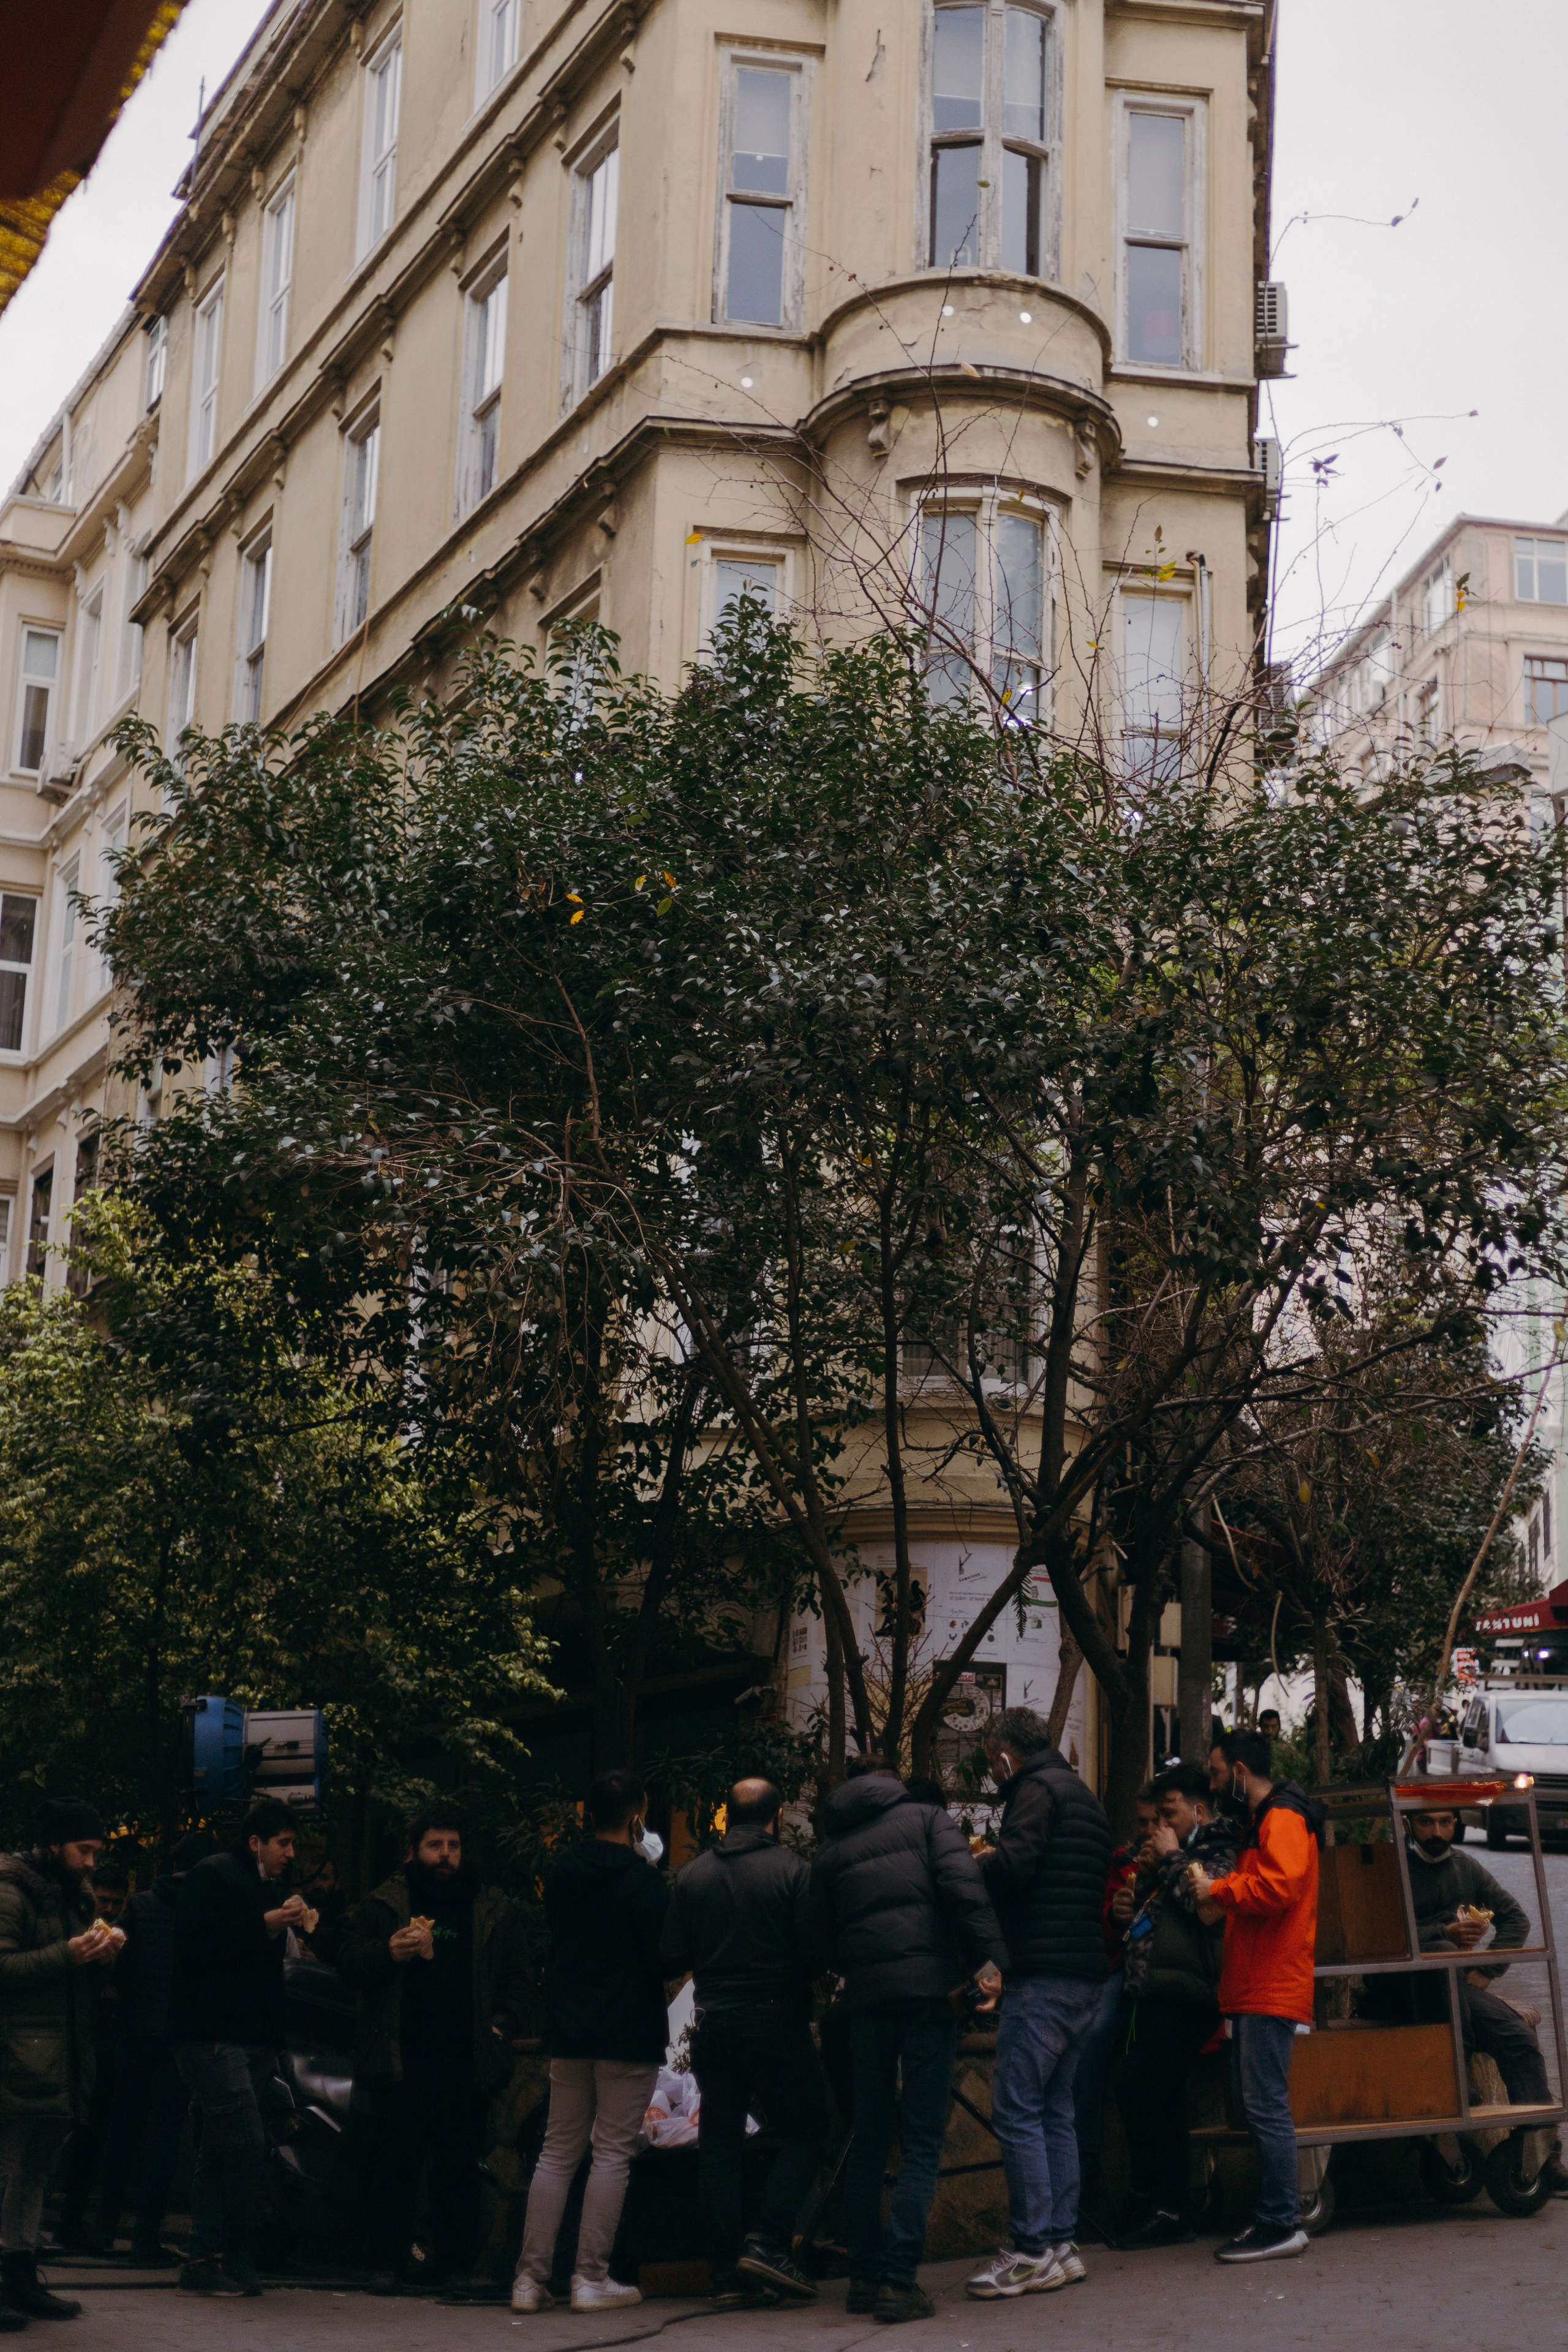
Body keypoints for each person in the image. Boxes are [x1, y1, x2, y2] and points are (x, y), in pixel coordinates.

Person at [804, 1754, 1006, 2326]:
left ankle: (864, 2279)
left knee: (868, 2136)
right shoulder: (925, 1820)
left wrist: (864, 1964)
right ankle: (899, 2281)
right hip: (927, 1997)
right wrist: (993, 1962)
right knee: (921, 2140)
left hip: (866, 2001)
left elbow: (817, 1944)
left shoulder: (831, 1849)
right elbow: (964, 1892)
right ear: (890, 1782)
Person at [339, 1806, 527, 2296]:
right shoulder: (384, 1904)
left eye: (453, 1846)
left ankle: (454, 2267)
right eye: (435, 1846)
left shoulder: (490, 1907)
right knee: (394, 2165)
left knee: (458, 2170)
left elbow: (517, 1976)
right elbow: (349, 1963)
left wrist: (502, 2025)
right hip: (400, 2059)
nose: (445, 1856)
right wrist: (387, 1953)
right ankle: (385, 2263)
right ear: (414, 1851)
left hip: (466, 2061)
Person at [660, 1777, 828, 2306]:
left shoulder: (692, 1875)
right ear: (777, 1816)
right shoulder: (794, 1872)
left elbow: (668, 1957)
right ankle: (768, 2240)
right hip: (776, 2021)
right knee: (809, 2128)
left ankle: (726, 2272)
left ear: (727, 1816)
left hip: (714, 2023)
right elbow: (815, 1954)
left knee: (720, 2146)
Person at [965, 1708, 1111, 2303]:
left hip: (1043, 1976)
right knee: (1055, 2110)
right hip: (1085, 1975)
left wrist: (976, 1863)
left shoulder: (1033, 1790)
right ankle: (1060, 2245)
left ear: (1005, 1754)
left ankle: (1028, 2252)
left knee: (1018, 2108)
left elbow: (1019, 1863)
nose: (992, 1770)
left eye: (991, 1760)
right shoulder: (1083, 1795)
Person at [511, 1771, 670, 2315]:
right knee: (612, 2153)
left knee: (557, 2151)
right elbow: (662, 1954)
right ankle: (590, 2277)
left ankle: (529, 2281)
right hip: (628, 2027)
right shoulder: (646, 1882)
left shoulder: (561, 1871)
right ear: (636, 1816)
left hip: (570, 2025)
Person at [1357, 1803, 1568, 2192]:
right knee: (1437, 1949)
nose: (1436, 1831)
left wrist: (1487, 1971)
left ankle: (1541, 2150)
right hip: (1399, 1989)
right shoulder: (1391, 1868)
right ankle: (1457, 2072)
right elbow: (1374, 1937)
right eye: (1426, 1822)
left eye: (1445, 1822)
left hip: (1456, 1987)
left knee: (1518, 2036)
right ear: (1408, 1824)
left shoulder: (1465, 1866)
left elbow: (1516, 1919)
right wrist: (1444, 1932)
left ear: (1456, 1823)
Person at [1188, 1730, 1322, 2264]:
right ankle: (1274, 2218)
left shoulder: (1282, 1817)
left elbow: (1279, 1888)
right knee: (1259, 2105)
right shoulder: (1264, 1820)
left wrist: (1218, 1890)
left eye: (1219, 1773)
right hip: (1257, 1984)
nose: (1215, 1783)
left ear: (1241, 1771)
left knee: (1265, 2106)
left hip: (1271, 1983)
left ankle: (1279, 2222)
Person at [171, 1796, 307, 2297]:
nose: (291, 1853)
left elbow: (265, 1974)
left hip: (250, 2038)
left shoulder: (266, 1887)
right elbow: (195, 1947)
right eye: (283, 1843)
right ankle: (235, 2252)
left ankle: (203, 2257)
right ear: (256, 1842)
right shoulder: (215, 1875)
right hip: (210, 2035)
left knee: (220, 2146)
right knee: (246, 2141)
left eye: (293, 1843)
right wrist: (266, 1925)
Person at [0, 1799, 115, 2326]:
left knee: (35, 2172)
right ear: (53, 1846)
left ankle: (20, 2275)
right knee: (8, 2169)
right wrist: (68, 1955)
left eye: (96, 1851)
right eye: (83, 1850)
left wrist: (103, 1953)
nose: (92, 1861)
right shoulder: (10, 1891)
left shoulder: (79, 1895)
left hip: (62, 2052)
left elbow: (77, 1972)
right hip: (17, 2053)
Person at [1115, 1763, 1238, 2247]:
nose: (1159, 1827)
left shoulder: (1220, 1850)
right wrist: (1140, 1886)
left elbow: (1203, 1905)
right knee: (1139, 2088)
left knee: (1154, 2091)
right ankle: (1153, 2199)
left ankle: (1171, 2206)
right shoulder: (1176, 1852)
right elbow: (1159, 1914)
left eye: (1169, 1815)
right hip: (1154, 1989)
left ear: (1199, 1810)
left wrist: (1166, 1860)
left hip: (1190, 1994)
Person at [89, 1831, 217, 2264]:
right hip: (180, 2038)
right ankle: (146, 2236)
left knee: (122, 2130)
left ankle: (105, 2228)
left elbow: (119, 1970)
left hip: (134, 2032)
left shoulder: (140, 1906)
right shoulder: (209, 1911)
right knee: (164, 2138)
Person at [1072, 1781, 1159, 2210]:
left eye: (1155, 1822)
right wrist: (1115, 1913)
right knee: (1095, 2031)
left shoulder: (1187, 1859)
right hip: (1122, 1970)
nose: (1147, 1831)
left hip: (1166, 1978)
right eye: (1141, 1822)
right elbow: (1105, 1932)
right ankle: (1085, 2162)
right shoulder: (1121, 1863)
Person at [55, 1865, 129, 2252]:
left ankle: (72, 2220)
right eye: (105, 1900)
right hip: (74, 2038)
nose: (112, 1909)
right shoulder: (75, 1926)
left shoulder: (119, 1935)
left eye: (118, 1902)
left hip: (104, 2041)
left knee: (92, 2133)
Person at [296, 1858, 348, 1969]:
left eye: (324, 1878)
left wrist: (321, 1964)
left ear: (337, 1883)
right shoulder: (293, 1914)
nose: (317, 1885)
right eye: (311, 1879)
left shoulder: (348, 1918)